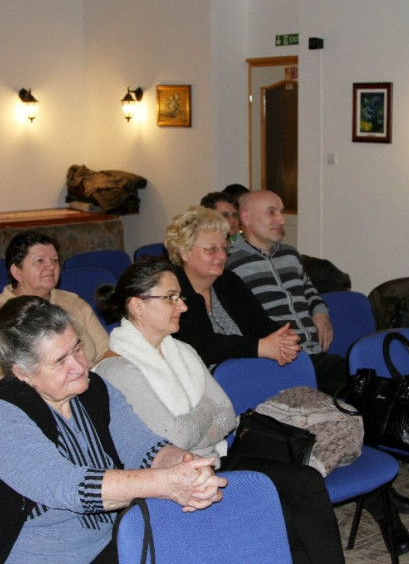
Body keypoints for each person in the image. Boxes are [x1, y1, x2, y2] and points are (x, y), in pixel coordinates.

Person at [93, 260, 351, 563]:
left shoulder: (182, 350)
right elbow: (175, 437)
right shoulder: (119, 368)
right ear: (137, 306)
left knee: (306, 482)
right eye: (171, 297)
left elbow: (227, 412)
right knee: (282, 516)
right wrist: (206, 408)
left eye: (180, 296)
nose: (183, 306)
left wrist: (196, 424)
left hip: (213, 459)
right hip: (172, 483)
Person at [0, 296, 226, 563]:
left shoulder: (94, 389)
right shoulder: (0, 416)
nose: (79, 365)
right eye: (60, 361)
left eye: (76, 348)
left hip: (107, 544)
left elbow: (143, 447)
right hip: (23, 555)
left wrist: (184, 464)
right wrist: (166, 484)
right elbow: (70, 486)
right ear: (22, 372)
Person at [225, 190, 346, 395]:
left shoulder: (290, 254)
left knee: (365, 382)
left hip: (314, 354)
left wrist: (320, 312)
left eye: (281, 212)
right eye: (272, 212)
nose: (281, 219)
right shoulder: (230, 262)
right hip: (278, 362)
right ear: (246, 218)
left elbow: (309, 289)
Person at [165, 205, 300, 368]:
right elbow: (199, 345)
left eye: (224, 248)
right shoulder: (169, 291)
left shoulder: (229, 282)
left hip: (250, 370)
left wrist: (284, 339)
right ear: (184, 252)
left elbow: (261, 324)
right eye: (212, 250)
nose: (222, 256)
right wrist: (260, 347)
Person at [0, 230, 109, 388]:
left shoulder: (73, 302)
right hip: (35, 397)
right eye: (40, 261)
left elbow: (107, 352)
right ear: (17, 272)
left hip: (90, 387)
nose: (51, 266)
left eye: (55, 260)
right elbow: (0, 379)